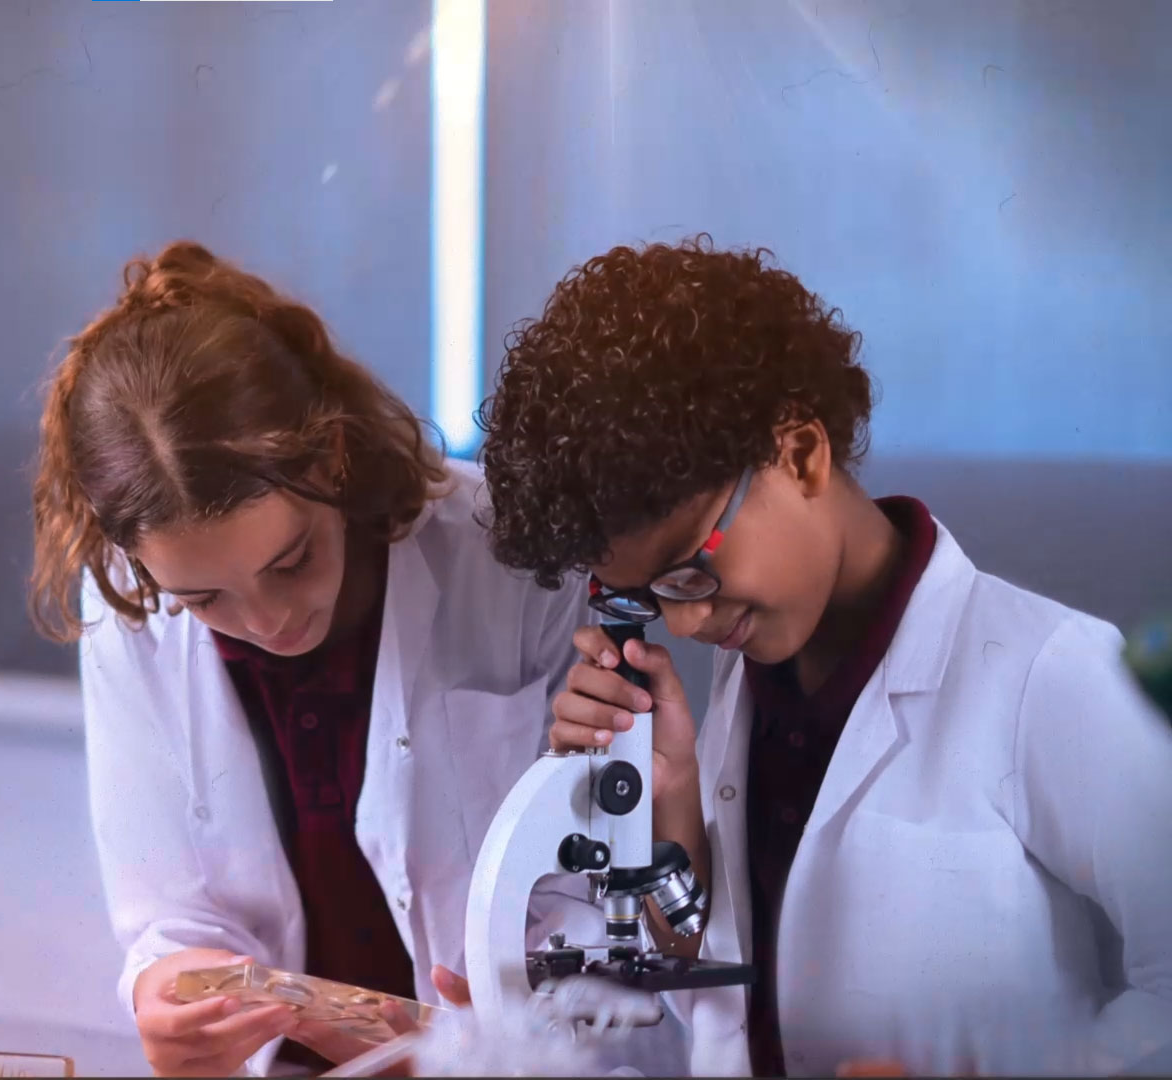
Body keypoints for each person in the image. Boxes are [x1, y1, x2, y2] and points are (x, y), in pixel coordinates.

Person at [475, 235, 1172, 1077]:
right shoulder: (749, 680)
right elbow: (724, 976)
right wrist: (671, 802)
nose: (685, 624)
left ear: (800, 455)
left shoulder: (1047, 673)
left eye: (691, 569)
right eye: (649, 595)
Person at [29, 241, 588, 1077]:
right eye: (204, 599)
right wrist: (169, 991)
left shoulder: (510, 559)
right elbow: (172, 917)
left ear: (332, 454)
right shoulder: (128, 603)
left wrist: (483, 1048)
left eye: (292, 562)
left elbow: (604, 902)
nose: (269, 623)